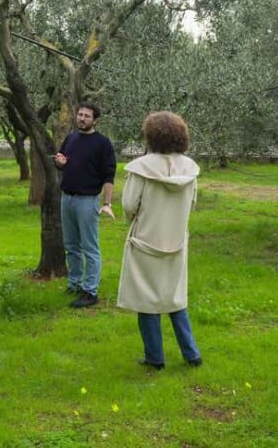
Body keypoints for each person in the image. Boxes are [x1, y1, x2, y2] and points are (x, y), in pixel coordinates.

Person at [117, 111, 202, 370]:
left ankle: (155, 358)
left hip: (146, 241)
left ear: (151, 135)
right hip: (176, 240)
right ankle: (192, 354)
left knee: (147, 300)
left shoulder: (141, 168)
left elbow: (130, 205)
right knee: (175, 297)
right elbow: (192, 203)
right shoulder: (190, 169)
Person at [54, 102, 117, 308]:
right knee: (71, 246)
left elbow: (109, 176)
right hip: (67, 198)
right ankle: (74, 284)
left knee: (90, 247)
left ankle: (90, 291)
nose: (82, 118)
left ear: (95, 120)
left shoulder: (103, 144)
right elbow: (61, 161)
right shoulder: (71, 138)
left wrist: (107, 203)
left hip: (87, 200)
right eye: (80, 114)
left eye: (86, 116)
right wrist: (59, 162)